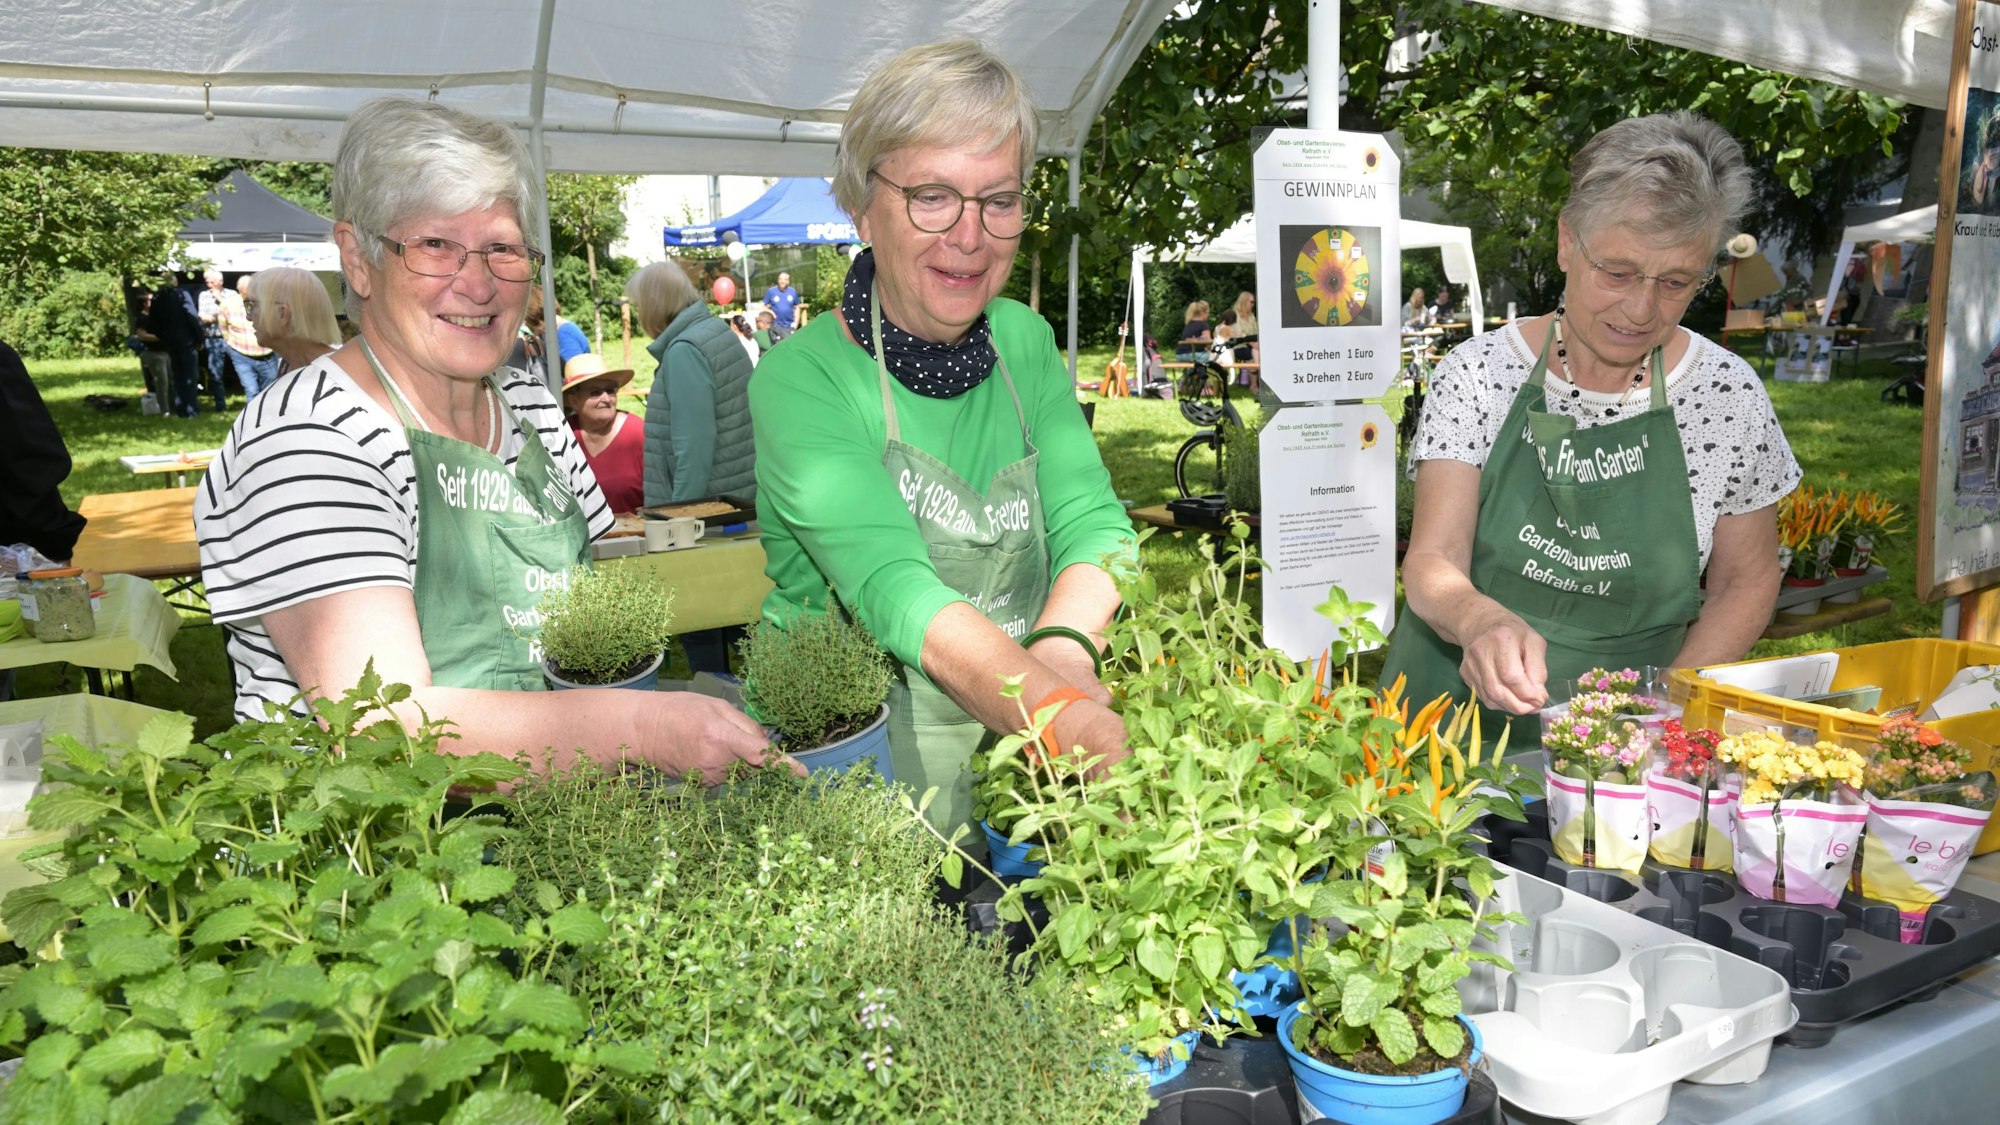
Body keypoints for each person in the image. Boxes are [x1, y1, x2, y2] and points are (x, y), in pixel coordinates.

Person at [194, 96, 788, 783]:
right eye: (436, 246)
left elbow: (598, 597)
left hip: (552, 825)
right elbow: (384, 727)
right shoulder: (310, 441)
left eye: (502, 247)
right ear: (358, 259)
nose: (477, 284)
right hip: (382, 865)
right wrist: (641, 727)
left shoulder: (529, 404)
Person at [750, 40, 1137, 833]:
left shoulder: (1023, 341)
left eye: (999, 200)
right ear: (862, 205)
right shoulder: (803, 381)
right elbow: (897, 590)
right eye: (933, 196)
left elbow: (1097, 527)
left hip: (1021, 766)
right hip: (855, 773)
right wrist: (1051, 705)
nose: (971, 235)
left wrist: (1061, 650)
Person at [1382, 111, 1800, 725]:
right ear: (1566, 243)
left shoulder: (1727, 397)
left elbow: (1748, 581)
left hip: (1629, 731)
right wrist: (1480, 621)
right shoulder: (1479, 375)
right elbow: (1432, 559)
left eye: (1676, 282)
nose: (1639, 308)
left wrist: (1663, 710)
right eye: (1618, 271)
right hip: (1445, 718)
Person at [628, 260, 757, 507]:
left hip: (708, 513)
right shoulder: (714, 331)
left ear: (653, 304)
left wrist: (680, 516)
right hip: (736, 498)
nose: (639, 313)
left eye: (639, 305)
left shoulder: (685, 350)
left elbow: (694, 446)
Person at [561, 352, 644, 514]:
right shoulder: (563, 435)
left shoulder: (639, 433)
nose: (606, 398)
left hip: (635, 535)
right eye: (595, 392)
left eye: (610, 390)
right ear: (573, 401)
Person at [243, 266, 342, 377]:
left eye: (253, 306)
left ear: (282, 314)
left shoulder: (337, 373)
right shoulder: (288, 365)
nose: (249, 317)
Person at [146, 271, 204, 417]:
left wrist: (163, 337)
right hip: (187, 341)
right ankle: (191, 410)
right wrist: (199, 338)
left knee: (176, 376)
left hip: (169, 343)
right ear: (175, 282)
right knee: (190, 376)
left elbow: (153, 323)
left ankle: (180, 408)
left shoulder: (157, 297)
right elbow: (192, 316)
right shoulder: (182, 294)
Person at [218, 272, 282, 401]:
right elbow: (223, 326)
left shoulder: (266, 302)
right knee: (251, 390)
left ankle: (268, 417)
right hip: (241, 354)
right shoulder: (228, 304)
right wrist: (229, 343)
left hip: (267, 353)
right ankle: (252, 419)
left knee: (269, 388)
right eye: (247, 292)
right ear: (240, 290)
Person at [197, 268, 235, 411]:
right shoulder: (203, 295)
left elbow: (234, 313)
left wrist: (219, 299)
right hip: (213, 339)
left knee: (243, 369)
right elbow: (202, 317)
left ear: (221, 281)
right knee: (215, 373)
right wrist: (221, 317)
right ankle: (221, 406)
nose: (209, 285)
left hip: (231, 339)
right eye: (207, 282)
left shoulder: (231, 294)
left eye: (212, 282)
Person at [763, 270, 801, 343]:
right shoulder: (771, 291)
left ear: (788, 281)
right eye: (780, 279)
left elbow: (797, 308)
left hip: (789, 326)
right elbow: (764, 306)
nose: (782, 281)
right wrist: (771, 312)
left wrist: (796, 323)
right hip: (776, 325)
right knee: (777, 345)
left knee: (789, 344)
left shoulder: (792, 292)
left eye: (784, 279)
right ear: (778, 280)